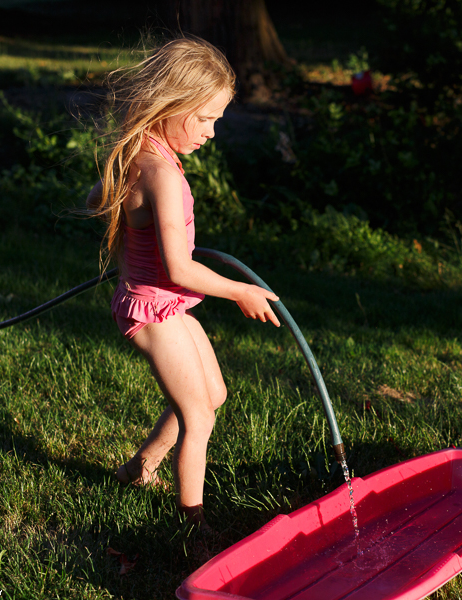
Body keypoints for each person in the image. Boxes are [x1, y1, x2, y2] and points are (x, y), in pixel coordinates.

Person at [86, 37, 281, 527]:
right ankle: (193, 527)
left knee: (212, 394)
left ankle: (138, 470)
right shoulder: (161, 174)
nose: (213, 132)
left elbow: (97, 198)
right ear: (171, 105)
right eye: (206, 117)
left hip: (166, 305)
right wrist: (241, 291)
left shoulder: (138, 150)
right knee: (200, 417)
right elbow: (180, 269)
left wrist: (130, 222)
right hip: (153, 308)